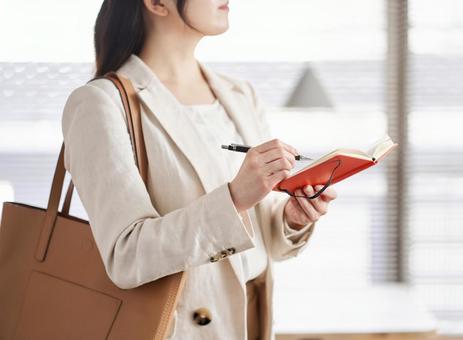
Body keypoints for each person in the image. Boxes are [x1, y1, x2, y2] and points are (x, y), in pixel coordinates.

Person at [60, 0, 338, 339]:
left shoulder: (239, 95)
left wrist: (291, 218)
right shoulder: (101, 103)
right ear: (157, 3)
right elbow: (126, 255)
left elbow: (261, 245)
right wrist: (234, 198)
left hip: (249, 322)